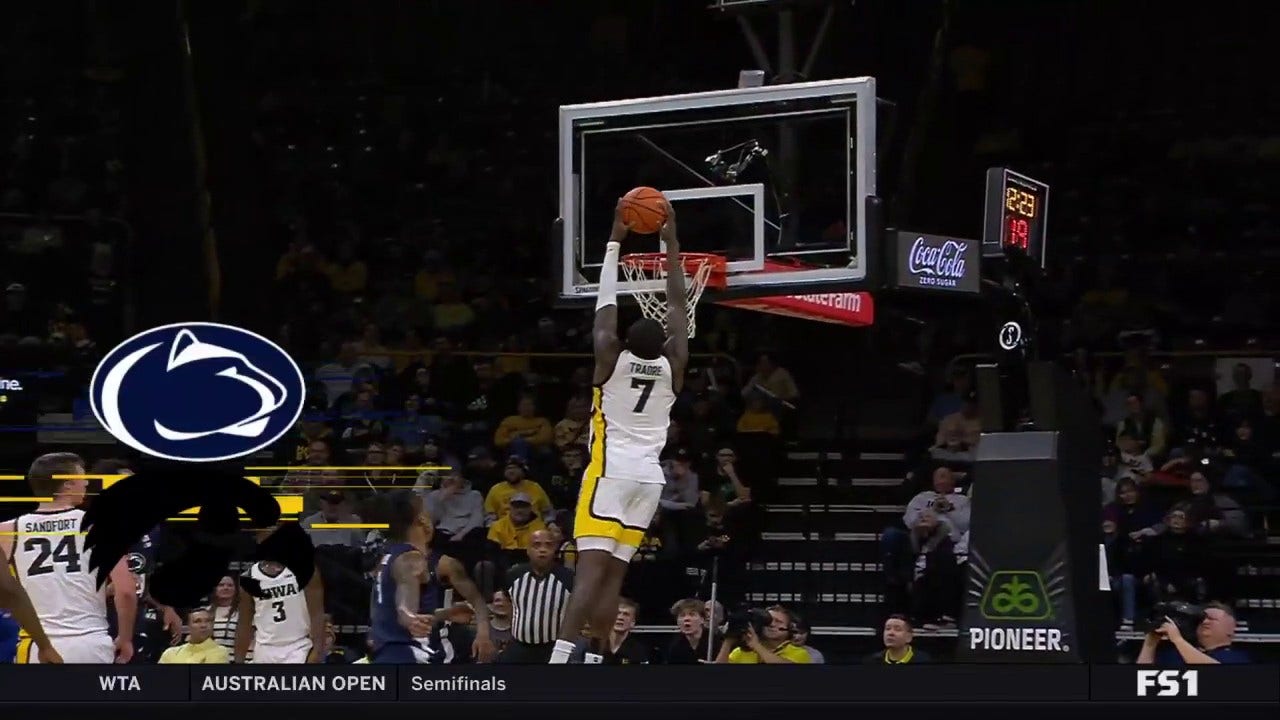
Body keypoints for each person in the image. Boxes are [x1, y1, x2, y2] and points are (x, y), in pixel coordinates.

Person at [550, 197, 687, 665]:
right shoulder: (674, 366)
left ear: (626, 340)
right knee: (614, 577)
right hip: (648, 480)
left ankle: (559, 661)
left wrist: (615, 238)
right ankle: (594, 660)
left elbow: (605, 305)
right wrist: (670, 244)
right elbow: (676, 302)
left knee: (588, 572)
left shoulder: (610, 357)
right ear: (664, 343)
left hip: (610, 473)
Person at [0, 452, 136, 663]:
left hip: (37, 644)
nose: (87, 482)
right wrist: (125, 638)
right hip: (91, 643)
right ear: (67, 485)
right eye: (82, 477)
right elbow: (126, 591)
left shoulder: (8, 531)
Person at [368, 490, 495, 664]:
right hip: (410, 654)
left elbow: (392, 610)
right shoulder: (411, 559)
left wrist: (445, 614)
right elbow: (404, 608)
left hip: (387, 653)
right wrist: (409, 617)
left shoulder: (386, 559)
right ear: (421, 520)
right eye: (426, 512)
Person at [233, 545, 325, 664]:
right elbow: (244, 623)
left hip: (298, 646)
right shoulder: (249, 577)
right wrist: (238, 662)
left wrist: (317, 651)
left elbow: (317, 613)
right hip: (264, 649)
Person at [499, 530, 574, 663]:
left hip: (551, 648)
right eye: (537, 545)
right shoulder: (514, 575)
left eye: (548, 545)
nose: (542, 550)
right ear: (528, 549)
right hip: (518, 646)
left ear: (555, 549)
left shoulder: (567, 578)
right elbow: (509, 604)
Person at [1136, 602, 1250, 664]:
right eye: (1201, 619)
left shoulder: (1237, 657)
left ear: (1231, 628)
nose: (1205, 621)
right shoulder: (1174, 654)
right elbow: (1141, 681)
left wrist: (1178, 640)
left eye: (1212, 619)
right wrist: (1149, 645)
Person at [715, 605, 811, 664]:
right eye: (768, 620)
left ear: (788, 629)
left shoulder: (799, 653)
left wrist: (757, 646)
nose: (772, 624)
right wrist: (728, 641)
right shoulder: (740, 652)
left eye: (778, 622)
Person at [158, 609, 229, 664]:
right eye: (197, 621)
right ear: (188, 626)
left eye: (207, 621)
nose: (203, 625)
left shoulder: (221, 652)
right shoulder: (170, 653)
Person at [864, 615, 931, 664]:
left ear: (909, 637)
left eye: (897, 629)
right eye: (887, 629)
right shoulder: (872, 661)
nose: (890, 633)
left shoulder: (924, 661)